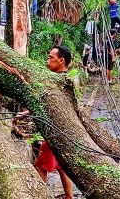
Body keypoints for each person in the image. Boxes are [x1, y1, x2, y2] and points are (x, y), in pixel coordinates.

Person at [38, 46, 74, 199]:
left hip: (55, 132)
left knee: (40, 166)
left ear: (61, 60)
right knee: (61, 166)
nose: (48, 61)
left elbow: (49, 105)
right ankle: (69, 196)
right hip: (64, 132)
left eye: (51, 57)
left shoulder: (58, 82)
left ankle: (39, 195)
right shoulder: (66, 80)